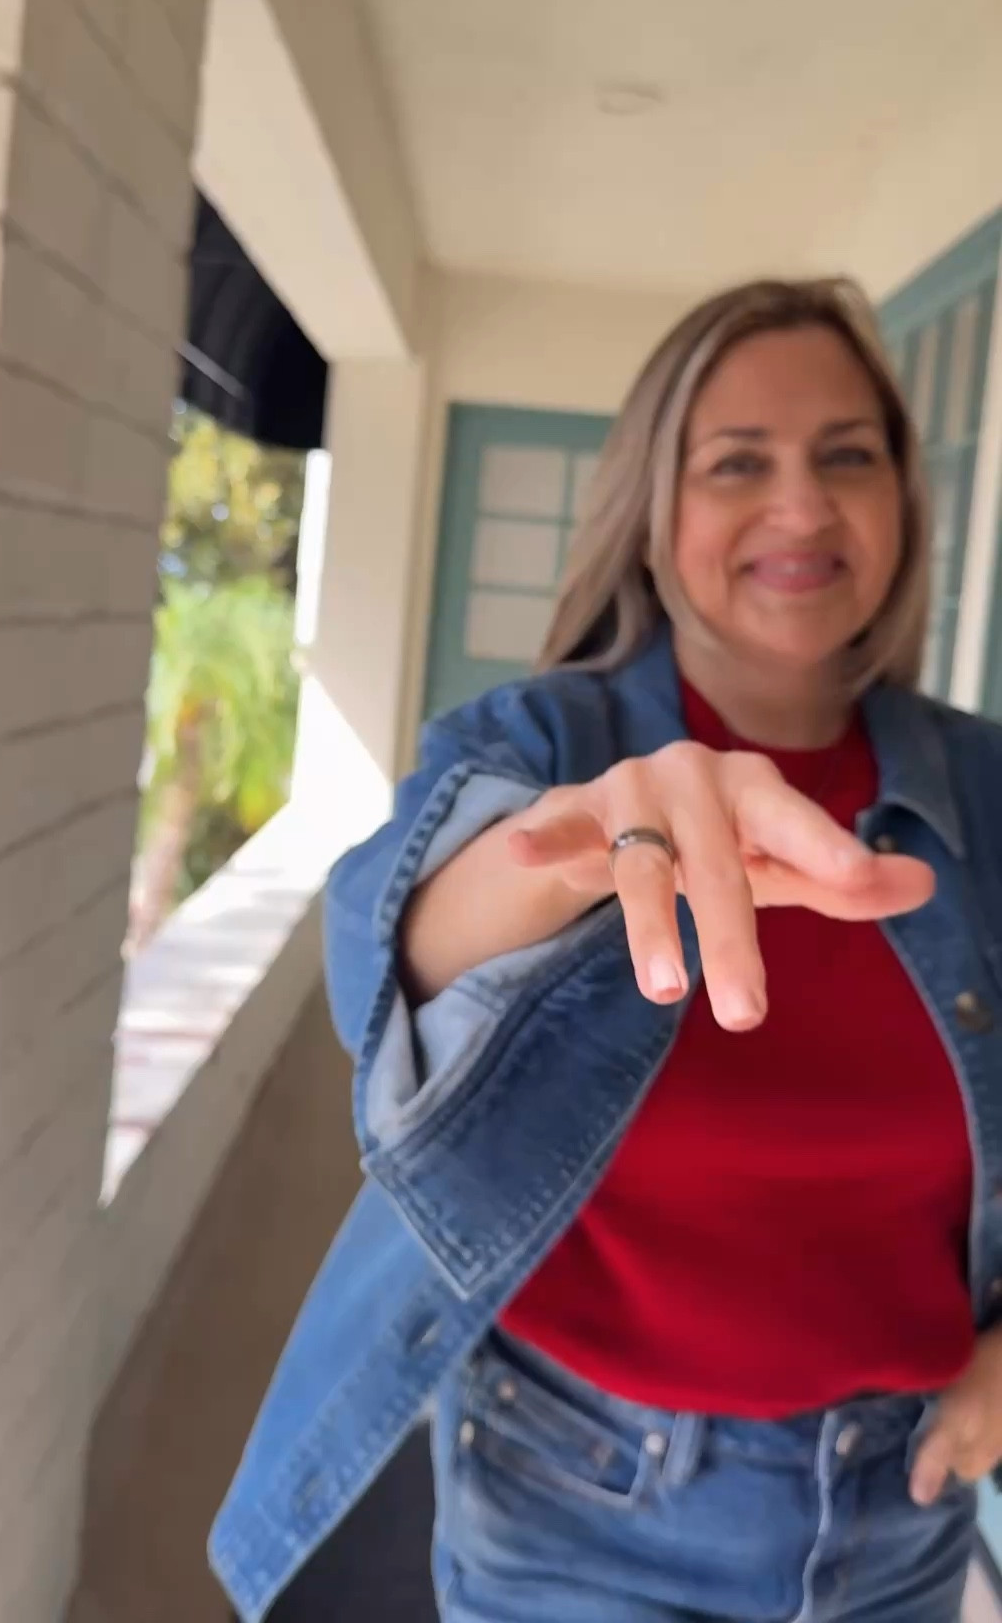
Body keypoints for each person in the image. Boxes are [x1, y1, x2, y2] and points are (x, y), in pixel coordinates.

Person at [211, 278, 1002, 1623]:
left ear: (904, 503)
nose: (802, 507)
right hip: (572, 1506)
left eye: (847, 457)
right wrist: (572, 851)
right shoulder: (539, 748)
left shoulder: (983, 790)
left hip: (904, 1516)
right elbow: (385, 952)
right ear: (652, 506)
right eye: (737, 462)